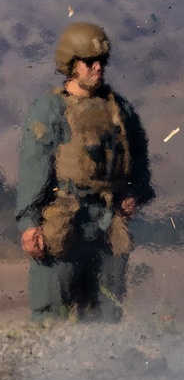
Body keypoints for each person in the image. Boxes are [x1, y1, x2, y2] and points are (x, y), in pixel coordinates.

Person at [15, 22, 154, 323]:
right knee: (51, 315)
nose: (98, 68)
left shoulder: (120, 109)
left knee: (105, 313)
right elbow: (33, 171)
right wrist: (29, 224)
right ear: (71, 64)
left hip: (107, 221)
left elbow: (140, 159)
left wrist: (135, 193)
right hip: (63, 221)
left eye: (102, 61)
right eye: (89, 62)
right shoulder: (51, 109)